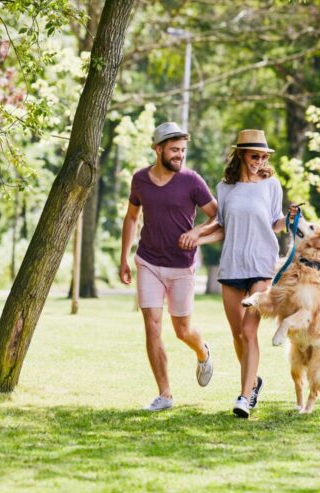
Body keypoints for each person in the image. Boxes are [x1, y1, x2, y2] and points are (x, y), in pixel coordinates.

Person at [184, 129, 298, 418]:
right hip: (232, 265)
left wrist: (291, 218)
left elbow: (275, 223)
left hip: (261, 265)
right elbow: (221, 228)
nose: (259, 161)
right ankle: (254, 381)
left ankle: (244, 397)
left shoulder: (271, 185)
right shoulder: (225, 188)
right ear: (241, 155)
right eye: (254, 156)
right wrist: (198, 237)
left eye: (263, 156)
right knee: (237, 334)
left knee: (249, 331)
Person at [119, 122, 219, 412]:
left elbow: (216, 216)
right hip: (148, 261)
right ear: (158, 149)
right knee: (152, 327)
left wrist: (197, 233)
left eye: (183, 151)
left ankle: (203, 351)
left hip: (181, 266)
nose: (179, 156)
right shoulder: (140, 180)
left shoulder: (192, 181)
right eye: (174, 150)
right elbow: (130, 217)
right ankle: (165, 394)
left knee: (182, 330)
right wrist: (124, 257)